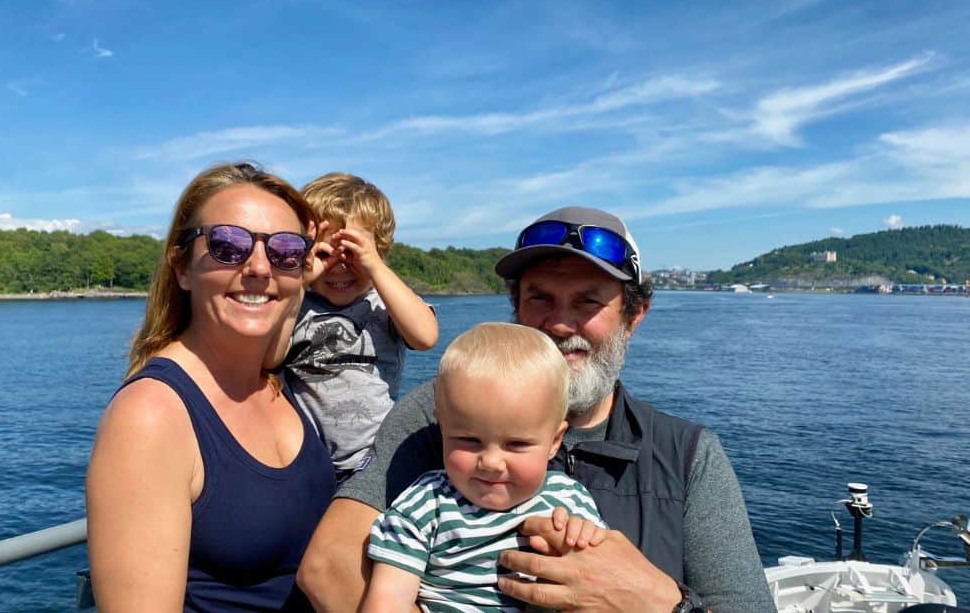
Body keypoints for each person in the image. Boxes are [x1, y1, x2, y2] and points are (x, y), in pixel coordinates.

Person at [298, 206, 776, 613]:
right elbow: (328, 565)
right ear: (516, 308)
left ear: (635, 315)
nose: (561, 323)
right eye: (539, 298)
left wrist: (663, 604)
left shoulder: (687, 456)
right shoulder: (438, 414)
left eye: (588, 301)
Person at [86, 162, 336, 611]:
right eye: (228, 245)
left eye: (285, 250)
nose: (259, 266)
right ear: (182, 268)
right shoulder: (151, 416)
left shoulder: (272, 379)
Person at [363, 322, 606, 612]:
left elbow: (597, 582)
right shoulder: (426, 505)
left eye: (516, 444)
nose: (491, 463)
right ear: (442, 428)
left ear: (554, 441)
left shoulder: (570, 502)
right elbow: (388, 599)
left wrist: (586, 539)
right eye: (469, 440)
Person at [271, 172, 438, 483]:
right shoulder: (295, 304)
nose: (338, 265)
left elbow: (426, 336)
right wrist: (298, 283)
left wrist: (374, 266)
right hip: (308, 462)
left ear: (379, 250)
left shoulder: (387, 301)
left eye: (353, 252)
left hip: (376, 458)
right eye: (323, 253)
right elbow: (269, 357)